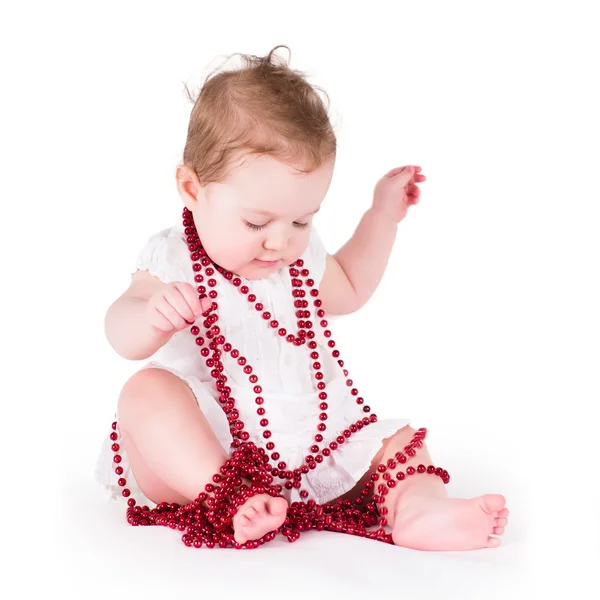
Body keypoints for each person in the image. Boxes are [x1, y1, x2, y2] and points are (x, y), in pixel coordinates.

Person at [95, 45, 508, 551]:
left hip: (308, 443)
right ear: (191, 188)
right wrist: (151, 316)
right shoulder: (171, 258)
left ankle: (417, 509)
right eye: (256, 222)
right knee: (145, 392)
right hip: (203, 449)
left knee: (398, 445)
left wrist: (381, 218)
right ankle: (231, 496)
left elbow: (350, 287)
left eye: (301, 220)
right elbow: (120, 328)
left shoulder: (298, 256)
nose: (280, 241)